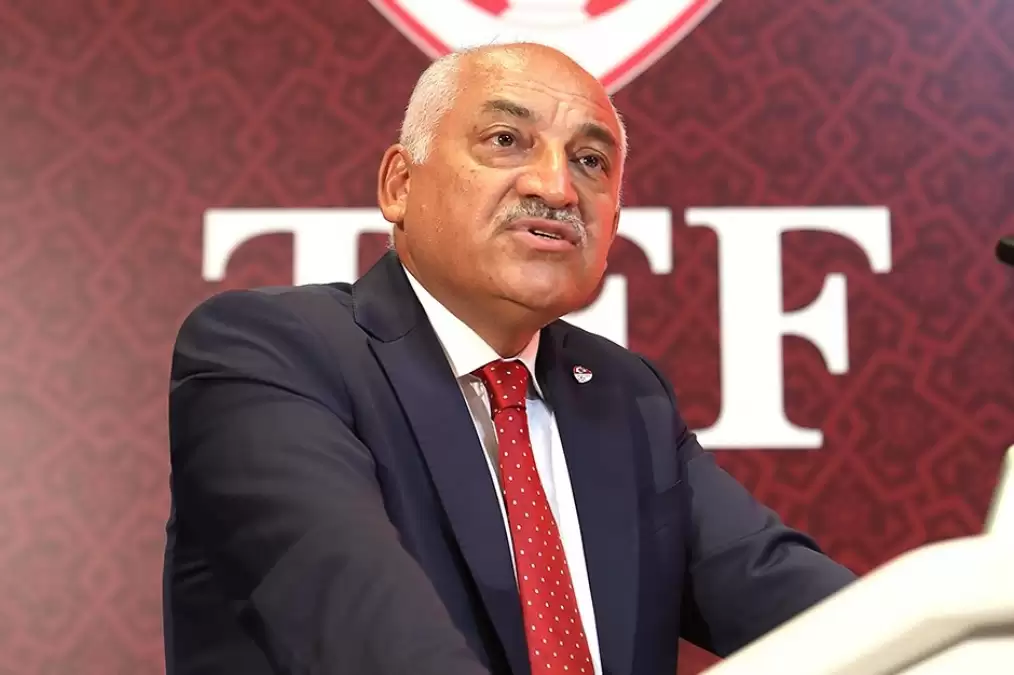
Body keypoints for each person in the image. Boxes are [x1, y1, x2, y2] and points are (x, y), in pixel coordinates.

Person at [163, 43, 856, 675]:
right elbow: (361, 622)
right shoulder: (270, 352)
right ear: (400, 185)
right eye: (505, 140)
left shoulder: (626, 397)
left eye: (590, 161)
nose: (556, 188)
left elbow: (796, 599)